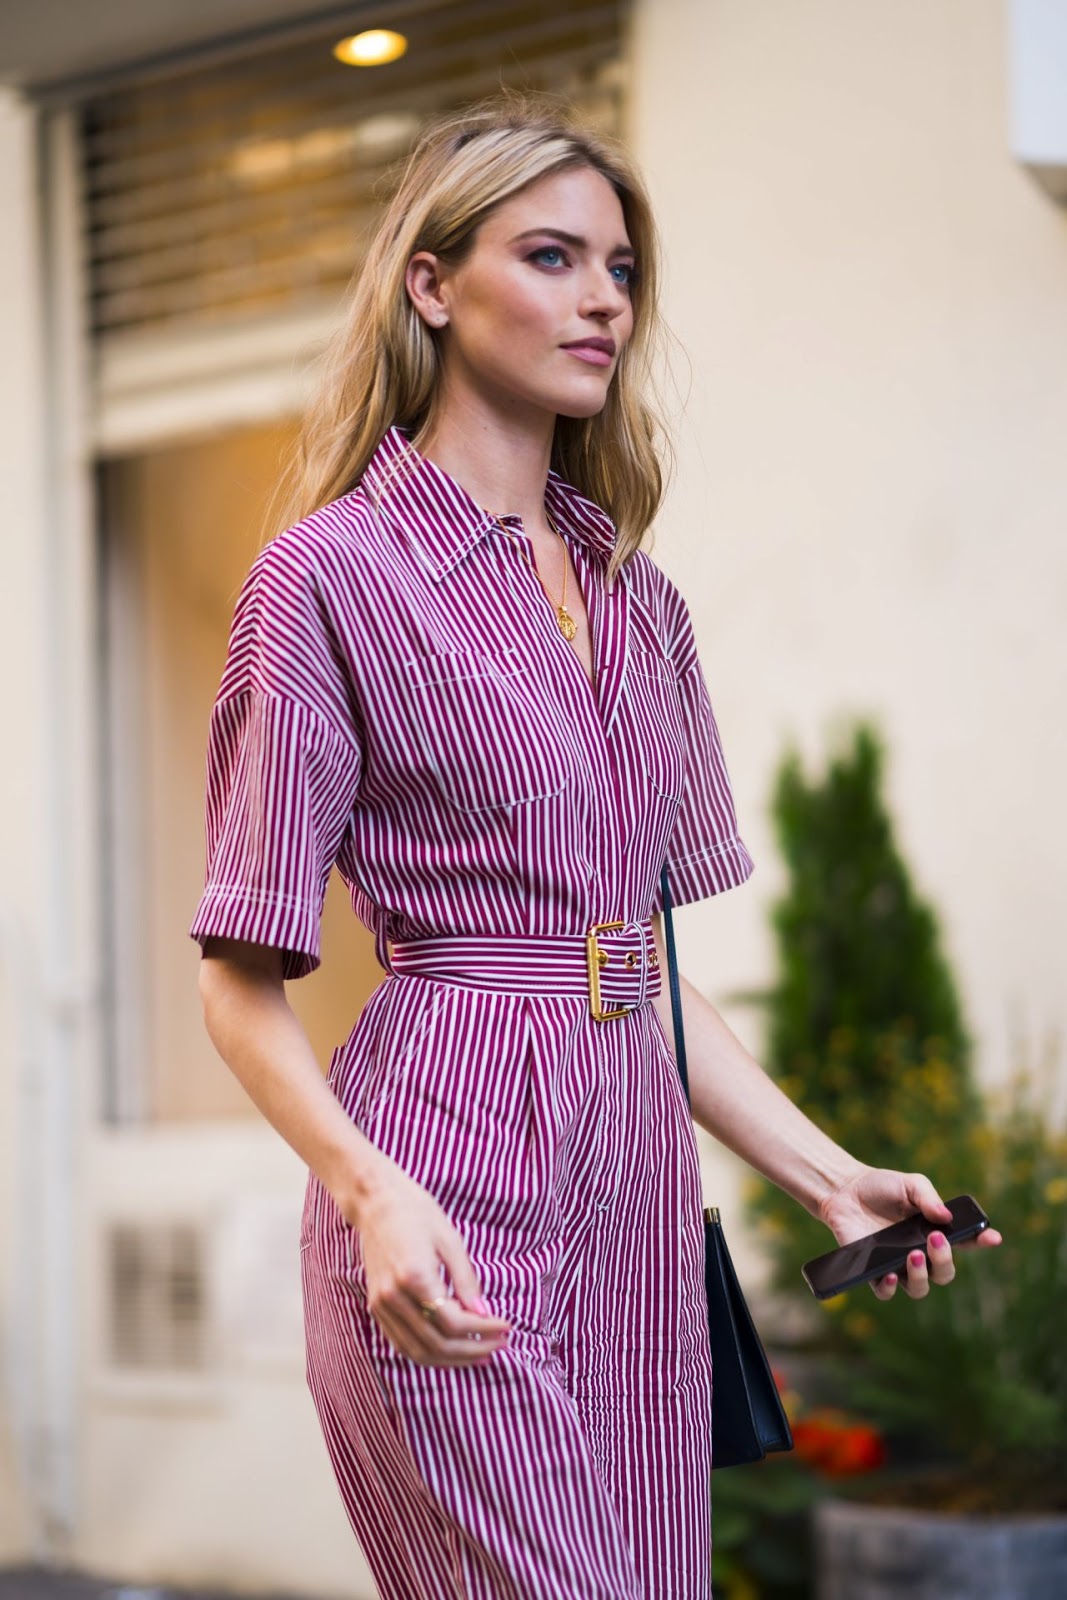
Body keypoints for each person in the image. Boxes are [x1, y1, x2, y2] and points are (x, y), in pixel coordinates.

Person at [189, 91, 1002, 1600]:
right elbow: (238, 982)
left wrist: (828, 1178)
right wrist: (370, 1190)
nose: (602, 302)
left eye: (620, 269)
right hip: (440, 1201)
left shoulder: (643, 601)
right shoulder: (324, 582)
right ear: (434, 287)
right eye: (552, 258)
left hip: (635, 1211)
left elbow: (640, 965)